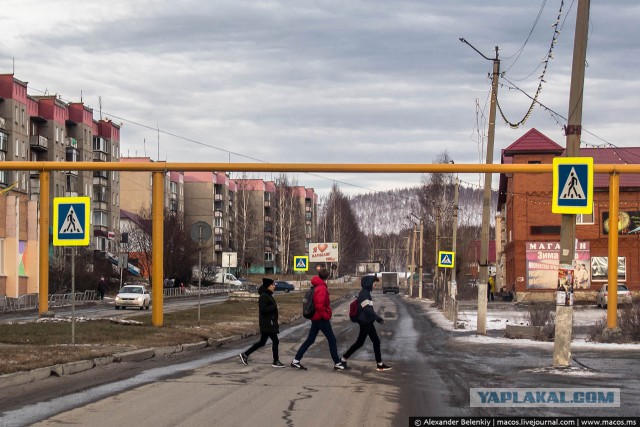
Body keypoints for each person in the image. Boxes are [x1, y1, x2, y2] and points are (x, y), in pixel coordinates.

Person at [290, 268, 349, 371]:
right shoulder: (321, 287)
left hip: (315, 317)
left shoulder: (316, 285)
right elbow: (319, 305)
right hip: (320, 318)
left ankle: (296, 360)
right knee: (332, 339)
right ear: (328, 276)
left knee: (310, 340)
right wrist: (326, 316)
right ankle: (337, 363)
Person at [340, 275, 391, 371]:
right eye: (374, 284)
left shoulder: (366, 293)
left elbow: (368, 310)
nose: (375, 286)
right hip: (365, 322)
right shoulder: (364, 294)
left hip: (367, 321)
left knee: (373, 341)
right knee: (361, 343)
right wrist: (378, 318)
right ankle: (343, 359)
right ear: (369, 284)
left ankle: (379, 364)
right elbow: (367, 310)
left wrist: (374, 318)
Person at [239, 278, 285, 368]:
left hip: (268, 322)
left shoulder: (267, 295)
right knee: (275, 341)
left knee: (262, 342)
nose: (274, 286)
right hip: (268, 323)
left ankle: (245, 354)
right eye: (272, 285)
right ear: (268, 286)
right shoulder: (264, 296)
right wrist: (274, 307)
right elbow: (263, 309)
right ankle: (276, 361)